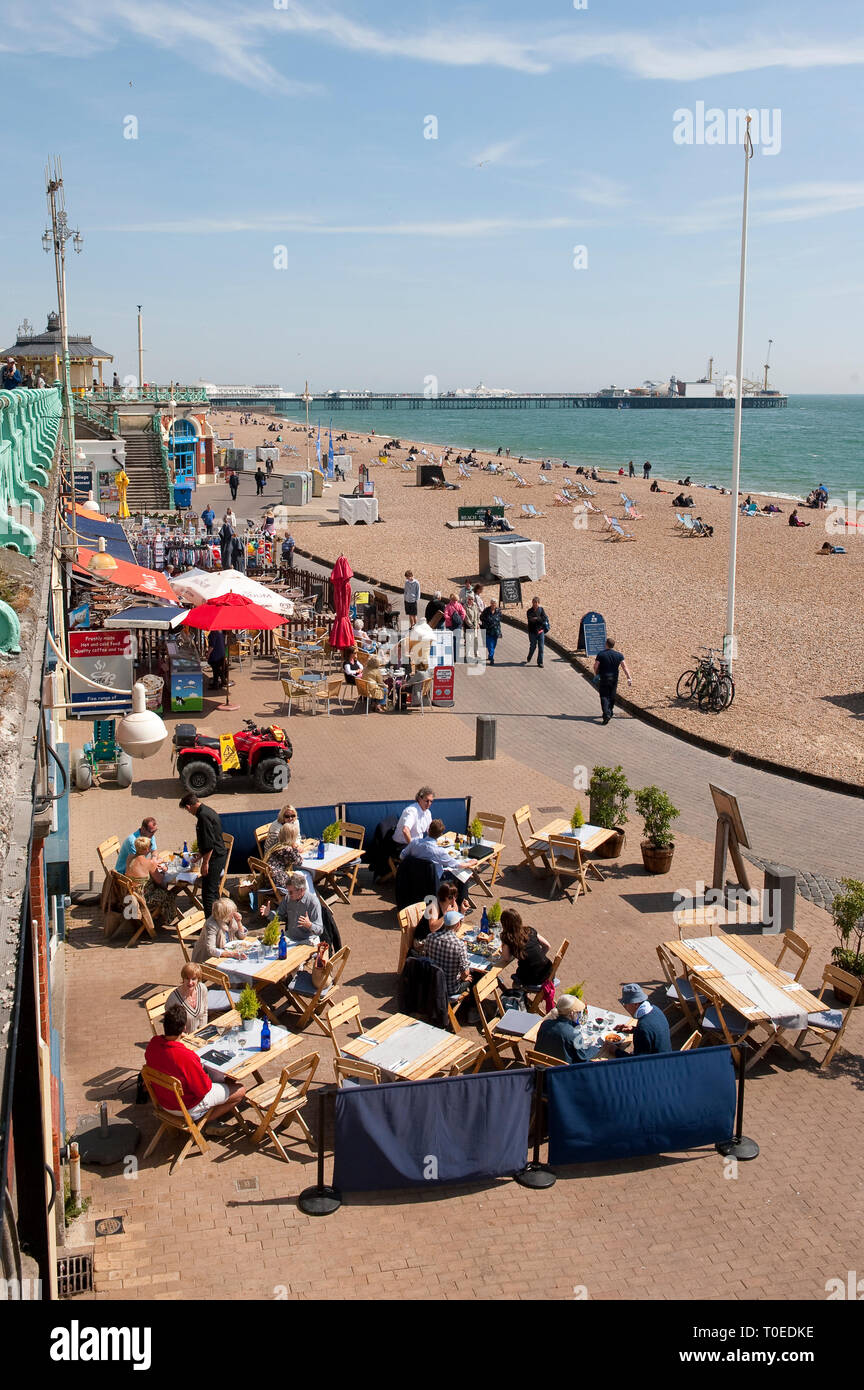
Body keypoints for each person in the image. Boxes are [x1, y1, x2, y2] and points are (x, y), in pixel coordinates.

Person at [144, 1004, 245, 1136]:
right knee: (239, 1090)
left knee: (217, 1078)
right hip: (186, 1107)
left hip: (163, 1102)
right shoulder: (186, 1057)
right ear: (184, 1028)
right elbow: (203, 1089)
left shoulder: (153, 1045)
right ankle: (202, 1122)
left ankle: (206, 1120)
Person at [179, 793, 227, 918]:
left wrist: (205, 863)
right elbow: (210, 840)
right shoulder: (208, 811)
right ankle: (220, 917)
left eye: (187, 810)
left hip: (215, 858)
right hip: (218, 854)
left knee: (208, 893)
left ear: (189, 807)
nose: (189, 813)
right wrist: (200, 855)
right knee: (214, 890)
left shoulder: (203, 817)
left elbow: (209, 844)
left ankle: (211, 923)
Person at [399, 818, 472, 887]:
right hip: (434, 881)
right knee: (464, 874)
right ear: (440, 835)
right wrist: (471, 862)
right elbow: (457, 865)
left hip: (415, 877)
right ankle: (461, 899)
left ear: (428, 830)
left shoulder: (414, 843)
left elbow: (402, 856)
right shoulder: (439, 852)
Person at [418, 909, 471, 998]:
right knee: (474, 978)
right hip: (450, 989)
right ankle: (468, 1007)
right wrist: (465, 978)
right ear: (458, 925)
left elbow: (425, 957)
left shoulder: (430, 937)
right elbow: (465, 973)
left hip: (433, 983)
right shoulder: (459, 945)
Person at [497, 909, 552, 994]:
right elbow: (547, 946)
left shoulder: (508, 938)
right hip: (549, 971)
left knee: (515, 984)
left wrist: (503, 945)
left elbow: (506, 958)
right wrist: (537, 958)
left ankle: (520, 998)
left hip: (535, 977)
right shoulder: (529, 930)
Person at [262, 871, 322, 944]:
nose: (288, 894)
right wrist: (268, 913)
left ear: (301, 890)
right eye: (287, 891)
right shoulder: (288, 898)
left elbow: (320, 930)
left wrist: (309, 925)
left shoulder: (313, 902)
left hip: (307, 940)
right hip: (290, 937)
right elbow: (279, 916)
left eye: (291, 892)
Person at [125, 837, 175, 923]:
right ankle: (168, 919)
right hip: (143, 900)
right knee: (169, 894)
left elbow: (141, 868)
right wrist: (164, 871)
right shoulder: (149, 863)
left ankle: (156, 916)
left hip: (131, 895)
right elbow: (160, 881)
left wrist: (154, 864)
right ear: (147, 849)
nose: (151, 848)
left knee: (159, 888)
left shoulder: (130, 858)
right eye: (150, 846)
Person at [614, 983, 671, 1054]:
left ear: (635, 1004)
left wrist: (615, 1051)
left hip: (656, 1063)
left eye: (625, 1004)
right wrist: (633, 1029)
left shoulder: (643, 1028)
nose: (625, 1007)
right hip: (666, 1056)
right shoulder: (656, 1009)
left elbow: (637, 1061)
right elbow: (651, 1033)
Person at [536, 994, 594, 1063]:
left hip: (541, 1066)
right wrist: (595, 1049)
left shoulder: (545, 1024)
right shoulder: (574, 1034)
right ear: (571, 1013)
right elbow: (582, 1059)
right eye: (578, 1012)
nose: (579, 1015)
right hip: (562, 1071)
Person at [593, 636, 632, 725]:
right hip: (614, 678)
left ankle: (606, 713)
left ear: (606, 644)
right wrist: (629, 677)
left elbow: (595, 666)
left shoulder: (601, 654)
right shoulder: (619, 655)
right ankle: (610, 711)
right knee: (612, 695)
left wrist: (596, 674)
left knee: (604, 696)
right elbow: (624, 666)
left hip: (604, 678)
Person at [166, 962, 210, 1033]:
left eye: (193, 979)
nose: (190, 982)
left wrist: (202, 1031)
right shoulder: (173, 999)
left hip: (200, 1035)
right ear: (183, 979)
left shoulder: (202, 989)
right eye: (187, 978)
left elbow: (205, 1012)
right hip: (182, 1038)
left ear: (198, 979)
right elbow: (170, 1026)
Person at [392, 787, 435, 854]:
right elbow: (405, 830)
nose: (429, 804)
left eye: (431, 801)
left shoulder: (428, 813)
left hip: (417, 843)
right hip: (401, 846)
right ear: (420, 799)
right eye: (427, 801)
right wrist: (414, 848)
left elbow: (430, 831)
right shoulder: (411, 811)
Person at [262, 822, 304, 888]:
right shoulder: (287, 849)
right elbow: (299, 862)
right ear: (292, 837)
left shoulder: (277, 845)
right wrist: (295, 849)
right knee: (304, 875)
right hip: (278, 883)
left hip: (268, 881)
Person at [525, 596, 550, 668]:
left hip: (540, 632)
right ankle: (529, 656)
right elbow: (530, 620)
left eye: (536, 603)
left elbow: (544, 619)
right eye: (533, 603)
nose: (534, 604)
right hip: (532, 632)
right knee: (533, 646)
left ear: (538, 603)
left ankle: (540, 662)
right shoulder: (529, 611)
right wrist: (539, 619)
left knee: (541, 648)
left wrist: (536, 619)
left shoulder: (541, 610)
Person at [444, 593, 466, 663]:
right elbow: (463, 613)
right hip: (457, 626)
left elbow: (445, 615)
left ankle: (450, 657)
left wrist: (450, 620)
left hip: (449, 626)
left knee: (449, 642)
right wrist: (460, 620)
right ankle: (456, 657)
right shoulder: (459, 605)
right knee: (457, 642)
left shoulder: (448, 606)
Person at [479, 598, 502, 664]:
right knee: (490, 645)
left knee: (494, 645)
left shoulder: (498, 610)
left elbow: (500, 618)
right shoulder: (486, 610)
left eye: (494, 603)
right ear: (490, 603)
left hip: (496, 631)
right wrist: (486, 623)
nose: (493, 604)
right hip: (488, 630)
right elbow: (481, 617)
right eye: (492, 603)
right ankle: (491, 658)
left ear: (496, 604)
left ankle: (490, 655)